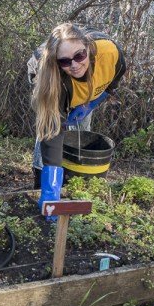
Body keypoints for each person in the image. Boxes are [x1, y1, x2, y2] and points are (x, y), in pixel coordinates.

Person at [27, 23, 126, 219]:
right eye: (65, 61)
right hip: (51, 82)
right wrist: (51, 192)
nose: (74, 64)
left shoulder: (110, 53)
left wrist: (91, 103)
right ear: (58, 62)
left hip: (84, 88)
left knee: (81, 128)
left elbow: (116, 75)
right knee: (49, 130)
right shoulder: (52, 77)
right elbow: (53, 134)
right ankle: (41, 183)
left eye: (79, 56)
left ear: (88, 47)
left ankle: (75, 185)